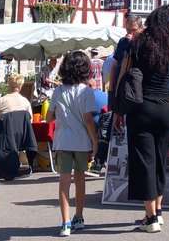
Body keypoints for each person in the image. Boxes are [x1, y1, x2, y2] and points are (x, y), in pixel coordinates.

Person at [114, 5, 169, 233]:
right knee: (161, 158)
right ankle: (160, 211)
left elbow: (123, 79)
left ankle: (150, 216)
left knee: (145, 160)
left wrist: (117, 111)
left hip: (141, 108)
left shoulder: (136, 44)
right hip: (167, 108)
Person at [46, 51, 98, 237]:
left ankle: (65, 222)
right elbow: (88, 120)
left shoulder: (58, 91)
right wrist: (94, 141)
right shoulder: (86, 92)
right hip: (82, 141)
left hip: (62, 140)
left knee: (64, 182)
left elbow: (48, 117)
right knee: (80, 180)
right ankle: (79, 216)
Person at [108, 14, 143, 109]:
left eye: (134, 30)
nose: (130, 33)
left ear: (141, 29)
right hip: (119, 85)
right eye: (128, 30)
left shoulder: (144, 43)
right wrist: (111, 89)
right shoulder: (123, 41)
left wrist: (133, 43)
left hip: (135, 88)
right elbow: (115, 65)